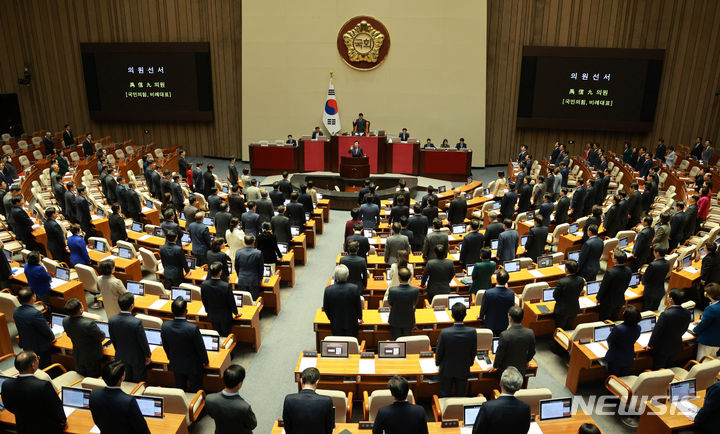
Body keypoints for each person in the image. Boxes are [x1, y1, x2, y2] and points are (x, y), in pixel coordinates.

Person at [1, 351, 67, 433]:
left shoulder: (6, 384)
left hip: (23, 427)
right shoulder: (43, 386)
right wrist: (63, 421)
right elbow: (57, 408)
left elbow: (8, 406)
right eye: (37, 359)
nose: (38, 360)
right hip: (47, 429)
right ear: (33, 365)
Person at [161, 297, 209, 392]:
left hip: (176, 364)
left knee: (180, 390)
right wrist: (205, 361)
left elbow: (165, 346)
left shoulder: (165, 326)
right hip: (193, 366)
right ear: (186, 311)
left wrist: (170, 357)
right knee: (196, 390)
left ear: (172, 311)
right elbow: (200, 348)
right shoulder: (192, 328)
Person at [89, 361, 151, 434]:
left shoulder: (94, 394)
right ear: (122, 377)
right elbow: (142, 429)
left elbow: (97, 420)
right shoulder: (128, 401)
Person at [435, 303, 477, 397]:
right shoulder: (472, 332)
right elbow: (473, 351)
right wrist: (470, 363)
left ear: (452, 315)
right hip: (463, 368)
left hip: (446, 369)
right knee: (461, 395)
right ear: (465, 315)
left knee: (445, 394)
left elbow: (439, 352)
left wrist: (437, 363)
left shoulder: (445, 332)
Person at [471, 367, 530, 434]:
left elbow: (476, 432)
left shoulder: (487, 407)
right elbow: (524, 431)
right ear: (519, 388)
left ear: (500, 383)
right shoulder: (525, 407)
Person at [109, 293, 151, 382]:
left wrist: (120, 350)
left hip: (120, 355)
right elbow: (143, 342)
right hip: (136, 357)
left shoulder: (112, 320)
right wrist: (148, 355)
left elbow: (113, 340)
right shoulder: (136, 322)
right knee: (140, 381)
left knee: (125, 381)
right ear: (132, 306)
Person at [647, 288, 692, 369]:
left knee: (658, 368)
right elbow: (685, 328)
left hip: (662, 348)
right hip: (676, 345)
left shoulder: (665, 314)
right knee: (669, 366)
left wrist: (650, 344)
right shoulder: (687, 312)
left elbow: (657, 332)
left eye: (668, 295)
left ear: (670, 299)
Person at [206, 364, 257, 434]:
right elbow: (252, 425)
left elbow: (212, 415)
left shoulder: (209, 399)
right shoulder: (244, 407)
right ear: (239, 384)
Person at [282, 367, 334, 434]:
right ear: (317, 382)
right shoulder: (327, 401)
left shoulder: (288, 399)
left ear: (301, 381)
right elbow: (329, 429)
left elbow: (287, 428)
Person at [63, 297, 105, 377]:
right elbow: (101, 337)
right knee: (93, 377)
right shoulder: (89, 324)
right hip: (92, 356)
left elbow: (69, 334)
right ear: (81, 310)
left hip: (78, 353)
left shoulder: (65, 320)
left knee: (81, 375)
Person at [14, 288, 54, 368]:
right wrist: (52, 337)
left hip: (26, 344)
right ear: (33, 298)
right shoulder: (35, 313)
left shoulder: (16, 311)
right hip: (39, 347)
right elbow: (48, 333)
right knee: (44, 366)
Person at [493, 306, 535, 376]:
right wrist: (526, 361)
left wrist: (495, 366)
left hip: (505, 371)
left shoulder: (505, 335)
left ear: (510, 318)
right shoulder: (530, 333)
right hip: (521, 370)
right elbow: (532, 352)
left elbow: (499, 355)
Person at [322, 265, 362, 337]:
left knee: (339, 345)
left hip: (336, 324)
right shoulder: (354, 288)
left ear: (335, 276)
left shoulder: (328, 290)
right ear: (347, 275)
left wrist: (331, 318)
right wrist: (360, 318)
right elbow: (358, 306)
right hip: (351, 324)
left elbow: (326, 308)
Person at [201, 262, 238, 336]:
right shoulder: (226, 286)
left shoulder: (204, 284)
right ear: (220, 272)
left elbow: (204, 300)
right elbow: (231, 302)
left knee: (216, 335)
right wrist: (236, 313)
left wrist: (208, 310)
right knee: (225, 335)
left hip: (212, 315)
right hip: (225, 316)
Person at [605, 305, 642, 376]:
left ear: (626, 316)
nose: (623, 312)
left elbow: (609, 340)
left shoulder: (619, 329)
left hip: (615, 358)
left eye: (624, 312)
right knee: (624, 376)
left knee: (614, 378)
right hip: (628, 356)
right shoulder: (638, 328)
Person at [597, 250, 632, 321]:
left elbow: (604, 287)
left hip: (608, 302)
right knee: (614, 319)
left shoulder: (610, 272)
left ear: (615, 260)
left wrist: (598, 298)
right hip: (620, 299)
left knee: (604, 320)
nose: (611, 257)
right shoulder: (629, 270)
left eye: (613, 256)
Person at [386, 267, 419, 339]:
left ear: (398, 277)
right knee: (406, 341)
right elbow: (415, 303)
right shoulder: (415, 290)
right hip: (409, 320)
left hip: (395, 320)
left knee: (396, 342)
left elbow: (390, 303)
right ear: (410, 277)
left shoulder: (392, 290)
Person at [479, 269, 514, 335]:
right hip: (504, 324)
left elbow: (484, 308)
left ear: (496, 279)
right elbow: (511, 310)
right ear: (507, 281)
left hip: (490, 323)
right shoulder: (511, 293)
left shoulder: (488, 293)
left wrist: (480, 317)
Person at [553, 259, 585, 330]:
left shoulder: (562, 282)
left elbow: (555, 296)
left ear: (566, 269)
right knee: (569, 327)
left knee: (559, 330)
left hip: (562, 310)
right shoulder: (581, 280)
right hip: (574, 307)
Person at [692, 283, 720, 359]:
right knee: (711, 360)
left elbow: (704, 324)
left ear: (708, 294)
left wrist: (694, 330)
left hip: (708, 340)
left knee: (702, 361)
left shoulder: (711, 309)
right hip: (718, 340)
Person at [235, 234, 264, 300]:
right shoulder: (258, 253)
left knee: (244, 301)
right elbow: (261, 268)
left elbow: (236, 267)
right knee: (253, 300)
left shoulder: (238, 252)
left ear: (244, 242)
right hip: (254, 280)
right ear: (254, 241)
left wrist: (239, 276)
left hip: (242, 279)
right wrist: (261, 278)